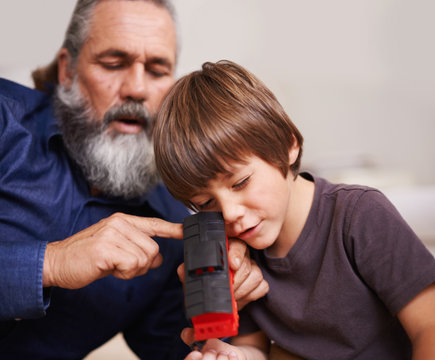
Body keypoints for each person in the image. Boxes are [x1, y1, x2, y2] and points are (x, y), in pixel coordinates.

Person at [0, 1, 268, 358]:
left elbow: (181, 348)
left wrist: (234, 289)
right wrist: (53, 263)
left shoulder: (174, 226)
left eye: (157, 71)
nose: (137, 88)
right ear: (67, 69)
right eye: (114, 63)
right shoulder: (5, 121)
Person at [153, 60, 435, 360]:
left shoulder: (360, 215)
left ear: (287, 145)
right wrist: (234, 355)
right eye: (205, 204)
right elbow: (256, 348)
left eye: (240, 182)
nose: (229, 214)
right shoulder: (242, 255)